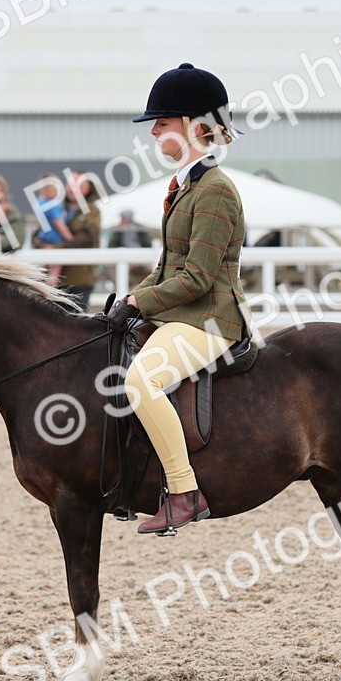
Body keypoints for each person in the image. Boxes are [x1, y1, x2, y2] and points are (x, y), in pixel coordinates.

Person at [104, 62, 249, 536]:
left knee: (141, 383)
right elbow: (167, 269)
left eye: (161, 125)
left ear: (192, 126)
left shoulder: (216, 191)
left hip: (210, 320)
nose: (154, 135)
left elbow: (199, 278)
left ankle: (184, 492)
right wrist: (132, 297)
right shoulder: (184, 186)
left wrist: (141, 305)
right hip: (182, 314)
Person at [40, 171, 102, 312]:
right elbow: (39, 232)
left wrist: (57, 247)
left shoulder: (92, 211)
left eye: (77, 185)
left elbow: (88, 238)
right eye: (69, 184)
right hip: (54, 283)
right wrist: (41, 244)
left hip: (79, 279)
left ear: (86, 189)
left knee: (77, 324)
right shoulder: (56, 208)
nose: (71, 188)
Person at [33, 175, 74, 249]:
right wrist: (72, 241)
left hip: (43, 240)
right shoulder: (52, 205)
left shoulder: (39, 202)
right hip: (55, 243)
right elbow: (59, 224)